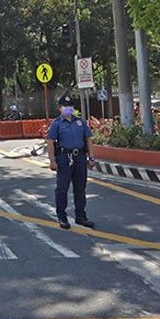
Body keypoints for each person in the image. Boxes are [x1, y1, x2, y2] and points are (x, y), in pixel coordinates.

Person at [46, 95, 96, 230]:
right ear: (60, 108)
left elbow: (88, 140)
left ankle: (81, 216)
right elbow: (50, 142)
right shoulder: (57, 124)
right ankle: (62, 216)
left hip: (79, 157)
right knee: (62, 189)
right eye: (65, 107)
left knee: (80, 188)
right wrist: (52, 161)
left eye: (70, 106)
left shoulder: (80, 122)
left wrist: (91, 158)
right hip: (64, 158)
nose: (68, 109)